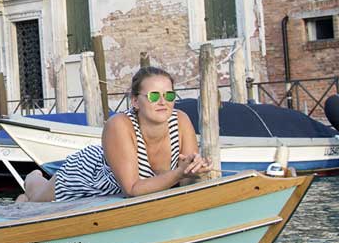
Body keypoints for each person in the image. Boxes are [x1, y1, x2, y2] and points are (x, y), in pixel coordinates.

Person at [20, 66, 213, 202]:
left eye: (169, 95)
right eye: (154, 96)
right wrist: (179, 172)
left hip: (126, 182)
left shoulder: (181, 120)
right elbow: (132, 189)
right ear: (136, 101)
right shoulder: (119, 125)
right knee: (36, 199)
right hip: (90, 176)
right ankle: (32, 178)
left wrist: (194, 171)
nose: (163, 101)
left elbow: (185, 182)